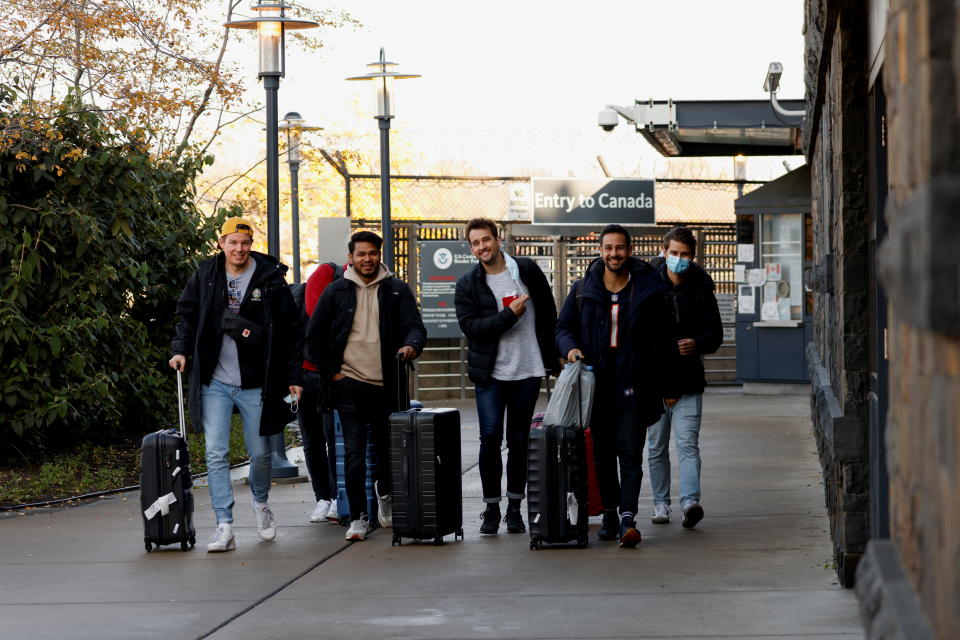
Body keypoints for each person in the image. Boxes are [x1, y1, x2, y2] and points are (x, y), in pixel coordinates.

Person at [169, 217, 303, 553]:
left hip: (257, 381)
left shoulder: (270, 279)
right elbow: (186, 314)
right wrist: (180, 350)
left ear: (251, 244)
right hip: (215, 380)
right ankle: (223, 525)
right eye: (233, 242)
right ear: (221, 243)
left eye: (245, 242)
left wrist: (294, 377)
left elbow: (290, 330)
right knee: (216, 452)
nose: (239, 249)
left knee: (259, 455)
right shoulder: (207, 275)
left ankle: (260, 504)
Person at [556, 223, 678, 548]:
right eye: (608, 248)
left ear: (630, 250)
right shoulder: (583, 289)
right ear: (600, 251)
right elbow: (562, 326)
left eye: (620, 248)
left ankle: (627, 518)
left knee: (630, 452)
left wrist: (669, 383)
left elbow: (666, 339)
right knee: (603, 456)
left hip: (635, 385)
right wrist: (570, 348)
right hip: (597, 388)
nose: (614, 254)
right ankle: (610, 513)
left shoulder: (649, 290)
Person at [304, 231, 426, 541]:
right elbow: (314, 339)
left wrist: (411, 345)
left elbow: (415, 327)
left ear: (379, 255)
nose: (367, 259)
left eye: (372, 253)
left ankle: (385, 494)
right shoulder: (336, 292)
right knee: (355, 453)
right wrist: (333, 374)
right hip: (348, 385)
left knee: (388, 450)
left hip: (388, 385)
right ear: (351, 258)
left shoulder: (397, 290)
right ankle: (357, 517)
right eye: (361, 254)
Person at [455, 218, 560, 535]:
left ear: (498, 240)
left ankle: (515, 509)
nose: (482, 247)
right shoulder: (468, 284)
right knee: (489, 440)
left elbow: (548, 313)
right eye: (475, 243)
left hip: (527, 370)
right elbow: (472, 329)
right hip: (491, 375)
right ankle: (491, 509)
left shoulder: (525, 270)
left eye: (486, 239)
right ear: (471, 248)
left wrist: (553, 355)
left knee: (518, 442)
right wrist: (508, 315)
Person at [645, 227, 722, 529]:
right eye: (673, 253)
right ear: (663, 252)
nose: (678, 259)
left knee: (688, 444)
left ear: (693, 256)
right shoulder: (647, 286)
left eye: (684, 254)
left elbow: (715, 334)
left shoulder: (702, 288)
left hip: (689, 382)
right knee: (655, 448)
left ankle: (690, 502)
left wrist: (698, 343)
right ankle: (661, 504)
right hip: (654, 384)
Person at [299, 261, 344, 524]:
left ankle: (339, 496)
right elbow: (314, 316)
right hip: (309, 372)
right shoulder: (326, 273)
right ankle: (323, 497)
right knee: (312, 439)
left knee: (334, 437)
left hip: (337, 373)